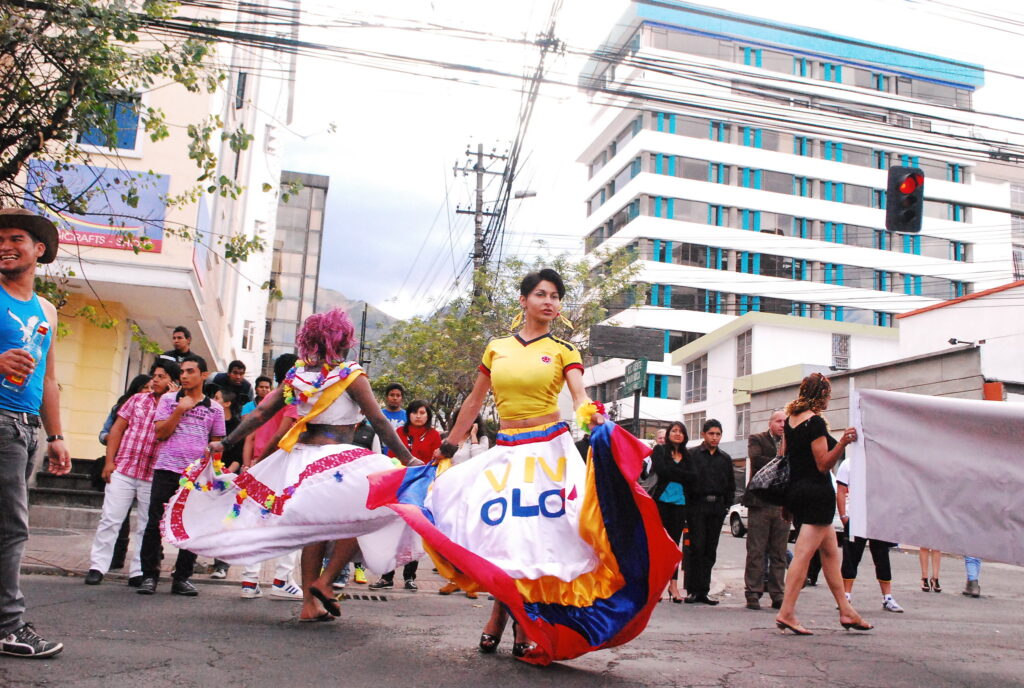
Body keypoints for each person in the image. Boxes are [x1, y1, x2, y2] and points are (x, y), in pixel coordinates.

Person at [368, 268, 679, 665]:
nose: (549, 302)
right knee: (503, 538)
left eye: (555, 296)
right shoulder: (497, 347)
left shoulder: (565, 349)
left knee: (542, 541)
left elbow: (580, 397)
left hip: (550, 453)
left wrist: (594, 418)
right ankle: (507, 612)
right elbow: (474, 403)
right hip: (507, 452)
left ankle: (515, 618)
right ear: (524, 300)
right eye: (541, 294)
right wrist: (449, 445)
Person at [161, 308, 419, 622]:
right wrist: (407, 459)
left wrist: (226, 443)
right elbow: (379, 420)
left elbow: (259, 415)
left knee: (316, 529)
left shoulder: (297, 376)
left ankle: (310, 605)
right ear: (338, 341)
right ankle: (325, 582)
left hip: (299, 464)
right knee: (364, 511)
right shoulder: (351, 374)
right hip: (336, 463)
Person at [0, 207, 68, 658]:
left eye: (16, 238)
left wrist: (57, 436)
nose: (5, 246)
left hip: (26, 430)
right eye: (0, 239)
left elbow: (47, 378)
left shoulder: (45, 310)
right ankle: (9, 625)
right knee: (11, 530)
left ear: (38, 250)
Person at [774, 373, 871, 635]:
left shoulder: (792, 421)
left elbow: (785, 460)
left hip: (797, 491)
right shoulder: (815, 423)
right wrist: (842, 442)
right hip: (817, 494)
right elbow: (823, 464)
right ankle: (787, 612)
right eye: (827, 395)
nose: (829, 399)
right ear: (820, 395)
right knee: (803, 554)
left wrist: (786, 501)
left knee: (830, 554)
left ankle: (846, 611)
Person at [85, 360, 180, 588]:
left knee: (147, 525)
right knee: (110, 519)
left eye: (161, 376)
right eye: (154, 375)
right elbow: (117, 429)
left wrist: (174, 403)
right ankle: (98, 566)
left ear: (173, 382)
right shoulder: (137, 400)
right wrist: (110, 462)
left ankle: (138, 571)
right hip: (124, 469)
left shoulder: (176, 407)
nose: (155, 380)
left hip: (152, 475)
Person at [137, 354, 225, 596]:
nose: (184, 376)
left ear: (203, 375)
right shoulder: (168, 400)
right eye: (182, 372)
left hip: (195, 476)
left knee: (191, 525)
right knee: (155, 524)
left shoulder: (214, 409)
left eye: (190, 371)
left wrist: (212, 470)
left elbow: (216, 444)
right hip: (166, 468)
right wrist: (180, 411)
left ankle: (182, 577)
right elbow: (160, 433)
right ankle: (149, 576)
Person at [237, 354, 302, 601]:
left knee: (256, 523)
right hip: (281, 466)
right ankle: (282, 580)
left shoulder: (269, 398)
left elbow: (251, 434)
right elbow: (282, 435)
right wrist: (264, 459)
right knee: (290, 523)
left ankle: (249, 580)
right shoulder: (292, 398)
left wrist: (252, 464)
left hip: (259, 466)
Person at [372, 399, 442, 590]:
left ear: (428, 415)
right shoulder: (399, 433)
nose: (418, 416)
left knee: (414, 533)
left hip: (420, 489)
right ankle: (386, 577)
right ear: (408, 414)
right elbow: (390, 458)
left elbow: (435, 463)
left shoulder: (434, 435)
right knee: (393, 530)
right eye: (414, 412)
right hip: (399, 485)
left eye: (422, 413)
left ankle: (410, 577)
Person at [836, 459, 903, 613]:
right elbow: (841, 489)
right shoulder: (849, 464)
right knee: (851, 557)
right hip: (856, 517)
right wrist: (844, 516)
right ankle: (845, 595)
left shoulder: (882, 463)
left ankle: (887, 597)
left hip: (878, 518)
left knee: (882, 557)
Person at [742, 410, 789, 611]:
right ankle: (753, 591)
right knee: (756, 550)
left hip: (782, 504)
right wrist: (781, 456)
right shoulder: (757, 439)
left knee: (779, 552)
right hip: (760, 502)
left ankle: (778, 593)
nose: (782, 425)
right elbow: (757, 461)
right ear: (770, 423)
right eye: (778, 421)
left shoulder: (792, 442)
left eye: (785, 422)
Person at [683, 419, 733, 605]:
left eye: (718, 434)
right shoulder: (692, 455)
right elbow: (686, 482)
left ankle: (704, 590)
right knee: (696, 547)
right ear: (703, 434)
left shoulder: (725, 458)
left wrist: (726, 506)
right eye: (711, 433)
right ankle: (693, 590)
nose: (714, 437)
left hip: (717, 508)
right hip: (697, 507)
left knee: (710, 550)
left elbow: (730, 485)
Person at [649, 421, 696, 604]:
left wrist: (675, 472)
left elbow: (693, 477)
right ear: (668, 434)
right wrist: (680, 473)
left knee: (675, 547)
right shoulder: (660, 451)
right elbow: (663, 471)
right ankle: (657, 586)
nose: (677, 434)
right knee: (660, 545)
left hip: (680, 504)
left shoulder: (687, 454)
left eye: (681, 431)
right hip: (661, 503)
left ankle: (674, 586)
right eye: (674, 431)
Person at [379, 382, 406, 455]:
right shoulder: (377, 414)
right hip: (379, 455)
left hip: (401, 456)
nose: (395, 398)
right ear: (386, 397)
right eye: (392, 395)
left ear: (402, 398)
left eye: (398, 395)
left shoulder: (408, 416)